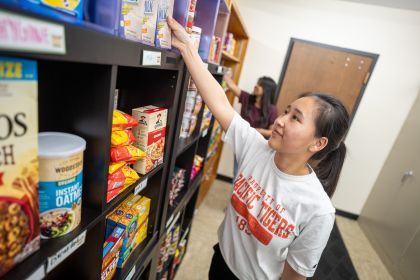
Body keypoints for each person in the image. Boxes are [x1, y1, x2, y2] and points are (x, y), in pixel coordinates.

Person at [167, 16, 350, 280]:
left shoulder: (318, 210)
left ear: (318, 143)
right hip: (221, 262)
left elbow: (294, 276)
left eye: (295, 118)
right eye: (286, 111)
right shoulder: (256, 147)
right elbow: (219, 101)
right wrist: (187, 48)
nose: (280, 120)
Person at [224, 74, 277, 139]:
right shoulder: (247, 98)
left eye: (260, 85)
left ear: (267, 90)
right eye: (257, 83)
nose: (256, 86)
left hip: (256, 143)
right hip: (240, 139)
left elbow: (271, 132)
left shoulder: (272, 109)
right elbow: (231, 85)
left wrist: (256, 131)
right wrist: (224, 72)